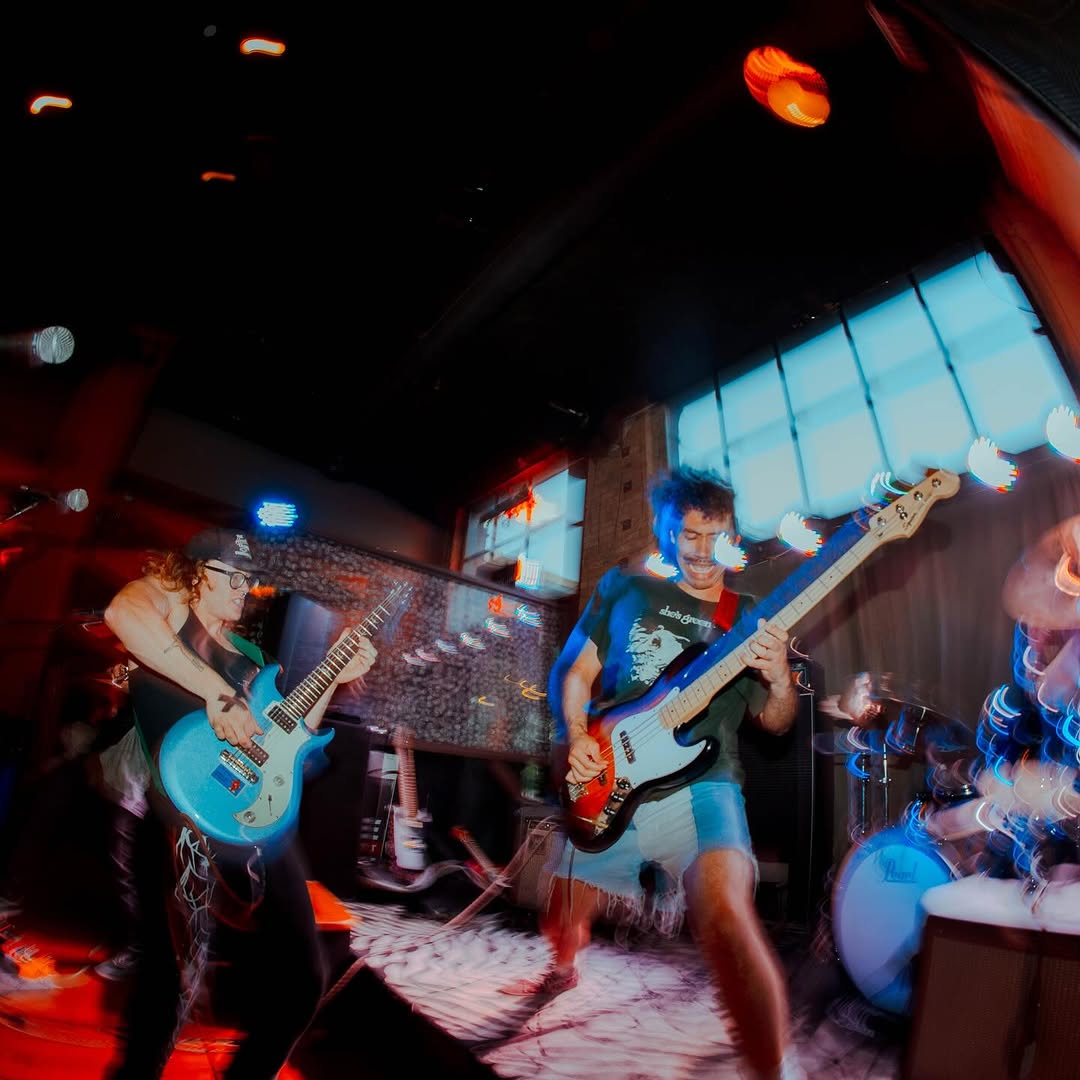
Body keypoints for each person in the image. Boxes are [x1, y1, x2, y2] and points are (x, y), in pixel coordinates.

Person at [505, 467, 801, 1080]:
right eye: (688, 535)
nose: (703, 551)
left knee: (726, 915)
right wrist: (578, 734)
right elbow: (575, 671)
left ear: (732, 535)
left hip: (704, 779)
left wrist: (779, 679)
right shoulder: (625, 587)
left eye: (715, 536)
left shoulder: (745, 616)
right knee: (561, 917)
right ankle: (564, 968)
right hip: (611, 765)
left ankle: (774, 1067)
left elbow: (776, 723)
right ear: (665, 531)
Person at [102, 526, 377, 1079]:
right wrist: (217, 692)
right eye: (233, 575)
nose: (244, 588)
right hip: (178, 818)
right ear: (194, 574)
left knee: (303, 981)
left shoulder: (254, 658)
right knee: (167, 994)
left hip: (258, 823)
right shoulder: (169, 612)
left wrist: (333, 674)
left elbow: (289, 739)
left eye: (249, 579)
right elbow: (121, 614)